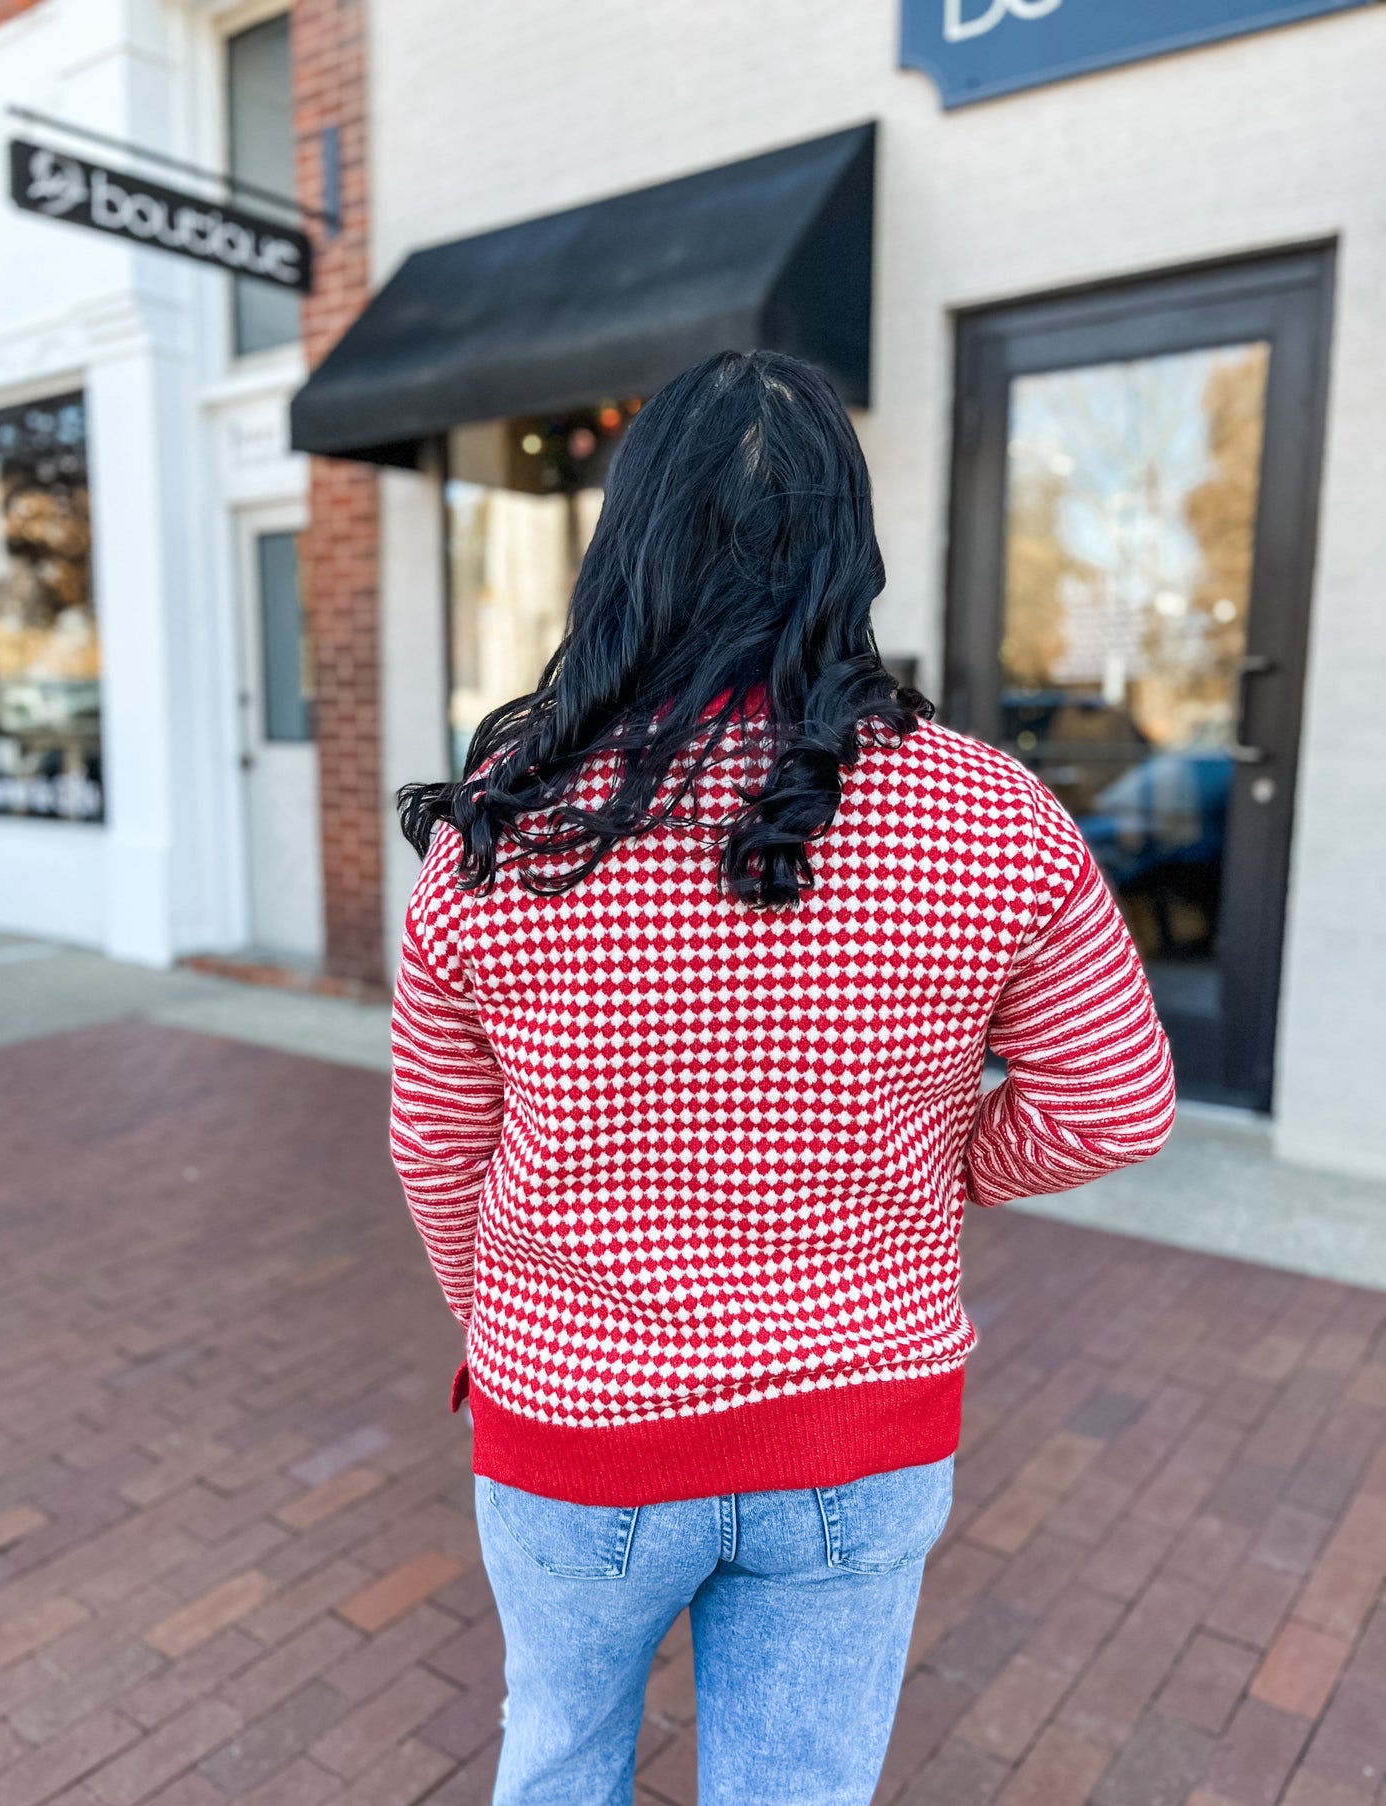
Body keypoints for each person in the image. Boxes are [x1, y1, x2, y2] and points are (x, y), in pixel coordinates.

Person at [389, 349, 1175, 1806]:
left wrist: (499, 1319)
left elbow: (437, 1148)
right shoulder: (993, 809)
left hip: (570, 1423)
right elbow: (1114, 1100)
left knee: (555, 1762)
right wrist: (939, 1158)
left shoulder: (498, 833)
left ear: (623, 543)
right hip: (857, 1425)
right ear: (846, 549)